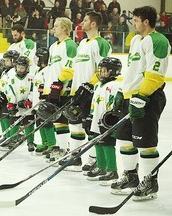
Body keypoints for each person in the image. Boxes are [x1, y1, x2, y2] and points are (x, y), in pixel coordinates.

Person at [110, 6, 171, 201]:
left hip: (147, 98)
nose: (133, 24)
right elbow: (133, 70)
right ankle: (131, 177)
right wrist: (123, 92)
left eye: (136, 20)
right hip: (131, 96)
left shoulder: (158, 40)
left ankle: (150, 183)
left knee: (145, 143)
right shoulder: (136, 40)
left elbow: (155, 75)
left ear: (146, 21)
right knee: (126, 139)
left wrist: (141, 97)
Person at [65, 11, 112, 172]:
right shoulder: (82, 42)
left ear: (93, 24)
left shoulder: (101, 43)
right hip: (78, 93)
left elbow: (104, 69)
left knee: (90, 127)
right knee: (75, 125)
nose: (81, 23)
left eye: (85, 20)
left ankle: (93, 159)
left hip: (92, 93)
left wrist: (90, 86)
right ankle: (75, 157)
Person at [42, 17, 77, 162]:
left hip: (62, 89)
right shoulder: (53, 46)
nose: (53, 28)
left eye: (56, 26)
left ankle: (64, 149)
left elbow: (70, 68)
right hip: (52, 88)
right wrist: (46, 87)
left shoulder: (70, 45)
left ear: (64, 28)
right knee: (56, 121)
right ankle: (60, 147)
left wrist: (59, 83)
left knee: (62, 120)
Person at [85, 57, 122, 185]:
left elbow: (117, 104)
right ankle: (101, 167)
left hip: (107, 122)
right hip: (96, 120)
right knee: (97, 142)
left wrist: (114, 118)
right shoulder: (98, 85)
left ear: (114, 72)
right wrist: (90, 117)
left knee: (107, 144)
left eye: (105, 71)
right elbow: (94, 103)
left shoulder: (116, 85)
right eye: (100, 70)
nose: (101, 73)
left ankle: (112, 170)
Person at [5, 55, 35, 152]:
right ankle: (13, 139)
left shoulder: (31, 78)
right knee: (14, 122)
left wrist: (29, 101)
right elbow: (10, 91)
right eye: (18, 67)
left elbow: (32, 90)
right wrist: (12, 103)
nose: (20, 69)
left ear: (27, 68)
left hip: (27, 106)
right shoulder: (12, 78)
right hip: (17, 105)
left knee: (29, 123)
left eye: (22, 67)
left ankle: (30, 141)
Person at [0, 50, 19, 148]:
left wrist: (5, 96)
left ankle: (12, 137)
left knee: (9, 118)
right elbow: (3, 85)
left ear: (14, 61)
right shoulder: (5, 72)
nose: (5, 62)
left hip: (10, 98)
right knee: (1, 116)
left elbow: (11, 86)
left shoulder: (13, 72)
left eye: (7, 60)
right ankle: (6, 135)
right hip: (4, 96)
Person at [33, 47, 57, 155]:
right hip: (37, 101)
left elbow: (48, 84)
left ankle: (51, 144)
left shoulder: (48, 70)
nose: (36, 60)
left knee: (47, 123)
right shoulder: (39, 70)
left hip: (44, 101)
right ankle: (45, 142)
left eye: (38, 58)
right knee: (39, 123)